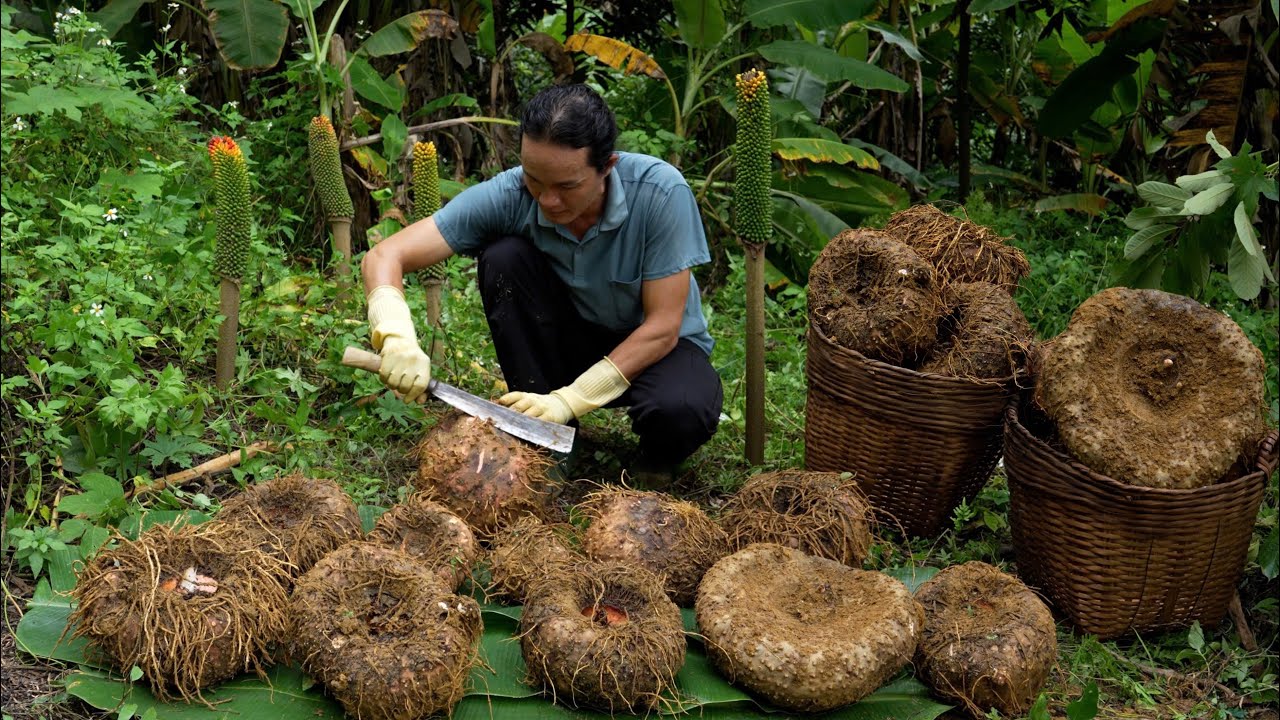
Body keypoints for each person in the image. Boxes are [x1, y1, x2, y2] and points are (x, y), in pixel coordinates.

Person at [360, 83, 723, 485]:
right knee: (504, 258)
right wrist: (395, 335)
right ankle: (544, 440)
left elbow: (662, 328)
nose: (547, 201)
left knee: (683, 409)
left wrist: (570, 400)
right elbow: (384, 255)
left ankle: (655, 458)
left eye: (567, 186)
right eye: (535, 180)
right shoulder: (512, 192)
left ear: (607, 167)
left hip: (657, 350)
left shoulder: (659, 193)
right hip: (571, 343)